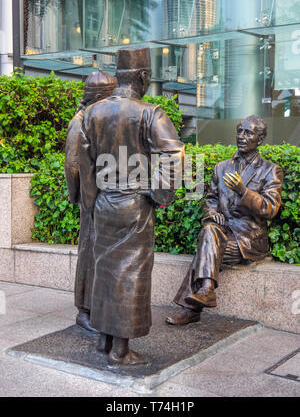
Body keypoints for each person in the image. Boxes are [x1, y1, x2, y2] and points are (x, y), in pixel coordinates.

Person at [79, 47, 185, 365]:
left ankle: (103, 340)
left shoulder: (93, 112)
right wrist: (159, 194)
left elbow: (84, 163)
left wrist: (91, 199)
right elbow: (174, 155)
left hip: (102, 203)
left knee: (104, 270)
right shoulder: (150, 113)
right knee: (130, 273)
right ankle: (121, 351)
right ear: (142, 76)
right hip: (133, 203)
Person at [166, 115, 283, 326]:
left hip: (248, 239)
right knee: (210, 232)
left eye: (248, 133)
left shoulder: (270, 170)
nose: (241, 136)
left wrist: (243, 191)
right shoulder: (221, 167)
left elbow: (270, 208)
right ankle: (206, 291)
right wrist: (212, 213)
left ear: (261, 138)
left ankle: (191, 308)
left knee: (208, 248)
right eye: (239, 131)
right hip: (221, 231)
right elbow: (211, 199)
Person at [65, 70, 117, 333]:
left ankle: (96, 305)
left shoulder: (99, 119)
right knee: (88, 251)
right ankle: (83, 311)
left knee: (100, 253)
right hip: (91, 199)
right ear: (98, 98)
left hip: (103, 197)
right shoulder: (82, 121)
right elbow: (73, 165)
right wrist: (83, 199)